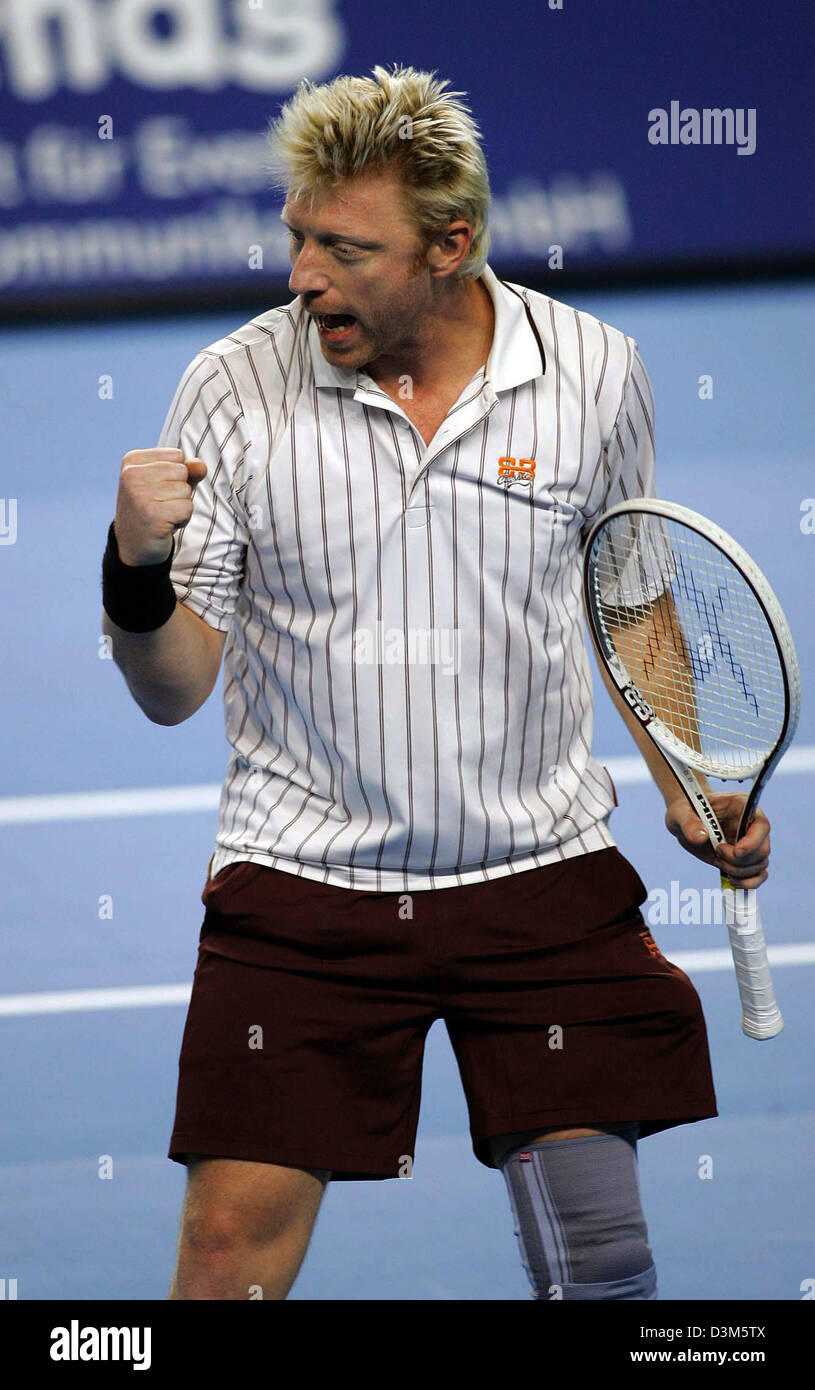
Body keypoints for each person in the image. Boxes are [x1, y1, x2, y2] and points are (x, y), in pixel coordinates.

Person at [100, 64, 771, 1301]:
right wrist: (136, 567)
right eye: (296, 235)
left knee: (599, 1257)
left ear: (450, 245)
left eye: (345, 249)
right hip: (306, 879)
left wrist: (688, 778)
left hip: (537, 872)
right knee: (223, 1259)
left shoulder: (592, 370)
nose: (303, 274)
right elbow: (171, 687)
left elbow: (625, 589)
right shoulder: (231, 389)